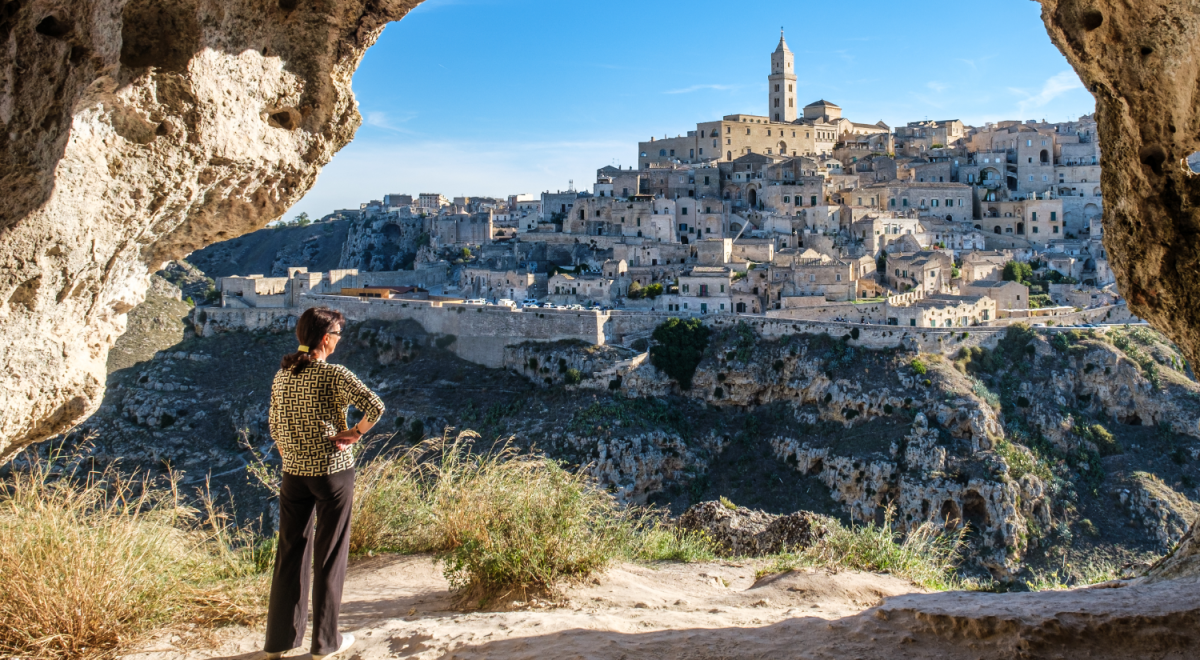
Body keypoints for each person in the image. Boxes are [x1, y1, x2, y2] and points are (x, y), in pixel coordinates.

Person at [263, 307, 385, 660]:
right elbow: (375, 406)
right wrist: (353, 434)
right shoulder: (334, 375)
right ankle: (325, 643)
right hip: (332, 472)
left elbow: (274, 425)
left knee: (291, 554)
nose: (338, 342)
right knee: (329, 557)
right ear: (325, 339)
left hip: (294, 474)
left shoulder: (282, 376)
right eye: (338, 336)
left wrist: (291, 451)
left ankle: (279, 642)